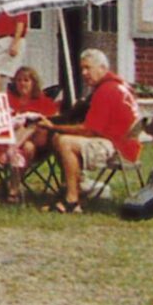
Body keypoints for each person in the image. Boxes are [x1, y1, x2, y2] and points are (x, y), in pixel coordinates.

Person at [51, 49, 142, 213]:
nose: (84, 73)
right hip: (128, 144)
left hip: (117, 149)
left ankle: (72, 199)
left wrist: (53, 127)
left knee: (64, 141)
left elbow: (90, 130)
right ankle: (78, 187)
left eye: (88, 68)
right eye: (82, 69)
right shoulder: (120, 85)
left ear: (102, 68)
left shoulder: (106, 90)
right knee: (62, 138)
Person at [0, 63, 58, 202]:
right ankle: (14, 188)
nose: (22, 83)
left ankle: (11, 149)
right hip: (17, 140)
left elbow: (53, 120)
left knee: (34, 122)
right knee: (27, 147)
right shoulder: (9, 100)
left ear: (34, 83)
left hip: (40, 143)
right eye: (19, 80)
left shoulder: (44, 101)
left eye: (26, 80)